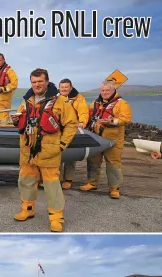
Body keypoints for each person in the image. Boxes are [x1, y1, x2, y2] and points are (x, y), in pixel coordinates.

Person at [11, 68, 78, 232]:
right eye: (34, 82)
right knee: (26, 181)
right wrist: (15, 120)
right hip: (28, 151)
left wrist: (61, 144)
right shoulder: (26, 101)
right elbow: (22, 121)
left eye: (40, 81)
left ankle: (56, 218)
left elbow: (71, 124)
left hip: (49, 152)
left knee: (52, 186)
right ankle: (27, 209)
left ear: (47, 81)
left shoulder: (60, 101)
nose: (37, 85)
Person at [81, 80, 132, 199]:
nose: (104, 92)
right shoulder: (94, 103)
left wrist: (112, 121)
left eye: (107, 90)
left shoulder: (122, 104)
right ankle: (92, 183)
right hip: (95, 138)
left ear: (113, 90)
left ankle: (114, 188)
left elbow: (126, 118)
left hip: (113, 140)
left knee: (113, 164)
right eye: (102, 90)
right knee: (93, 161)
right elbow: (86, 115)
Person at [58, 79, 89, 190]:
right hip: (58, 130)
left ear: (71, 87)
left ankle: (68, 179)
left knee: (71, 156)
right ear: (59, 88)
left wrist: (82, 122)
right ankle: (55, 179)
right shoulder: (56, 98)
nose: (64, 89)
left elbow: (83, 112)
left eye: (66, 87)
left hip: (72, 129)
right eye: (62, 87)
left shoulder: (79, 99)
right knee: (57, 153)